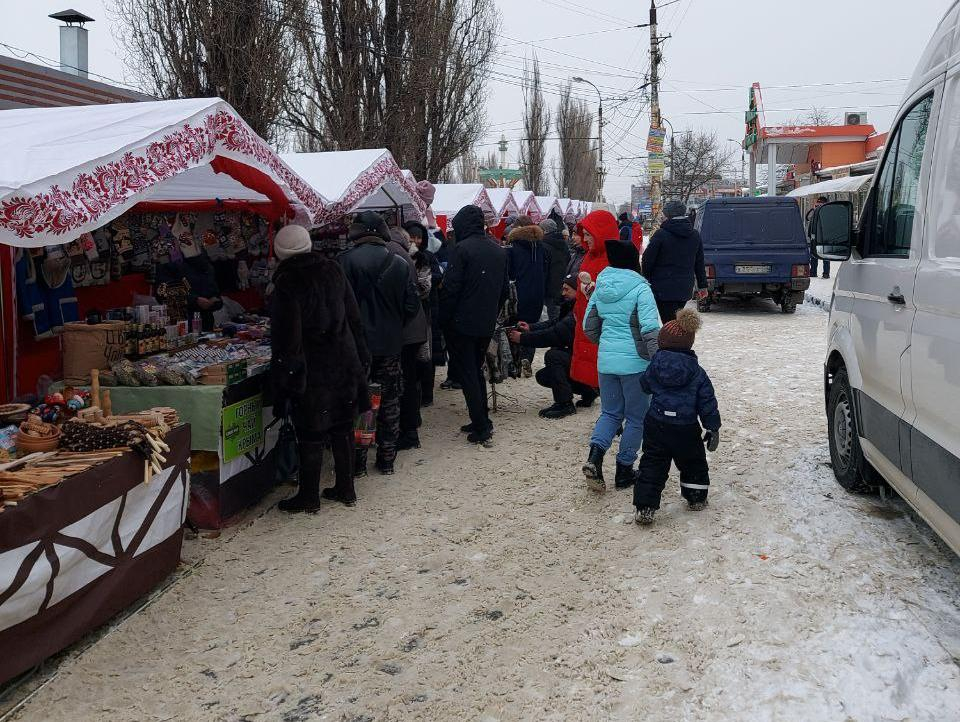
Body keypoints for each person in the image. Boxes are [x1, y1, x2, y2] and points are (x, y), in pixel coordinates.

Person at [270, 225, 370, 511]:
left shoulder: (288, 282)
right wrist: (362, 356)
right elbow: (354, 317)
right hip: (345, 360)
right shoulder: (333, 269)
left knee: (311, 432)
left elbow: (287, 340)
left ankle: (309, 496)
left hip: (313, 370)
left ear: (280, 252)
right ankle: (346, 488)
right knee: (341, 426)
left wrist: (287, 380)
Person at [340, 212, 420, 475]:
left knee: (360, 402)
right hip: (389, 344)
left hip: (355, 348)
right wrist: (394, 324)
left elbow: (336, 309)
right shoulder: (399, 263)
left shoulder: (343, 262)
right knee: (389, 401)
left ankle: (358, 462)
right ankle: (387, 459)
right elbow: (412, 306)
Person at [581, 240, 661, 491]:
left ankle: (594, 458)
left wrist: (607, 343)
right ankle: (624, 470)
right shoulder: (641, 289)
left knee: (610, 413)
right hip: (635, 364)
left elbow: (588, 327)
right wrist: (659, 362)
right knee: (636, 418)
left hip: (606, 362)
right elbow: (650, 329)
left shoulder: (601, 286)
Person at [633, 308, 721, 525]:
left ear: (663, 341)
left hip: (657, 423)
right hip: (686, 426)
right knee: (693, 462)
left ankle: (645, 506)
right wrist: (712, 427)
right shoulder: (697, 371)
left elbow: (645, 386)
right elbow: (707, 401)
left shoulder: (656, 363)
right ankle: (696, 496)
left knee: (652, 463)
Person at [439, 205, 509, 444]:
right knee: (475, 371)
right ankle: (481, 418)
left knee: (468, 373)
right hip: (485, 322)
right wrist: (491, 313)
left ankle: (481, 426)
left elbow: (451, 289)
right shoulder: (498, 250)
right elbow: (504, 291)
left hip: (461, 322)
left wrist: (444, 319)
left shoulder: (462, 250)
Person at [508, 275, 596, 418]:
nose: (563, 293)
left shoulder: (578, 312)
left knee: (554, 355)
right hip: (588, 363)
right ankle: (589, 390)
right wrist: (530, 327)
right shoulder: (575, 307)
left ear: (578, 291)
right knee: (544, 375)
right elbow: (554, 323)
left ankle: (565, 403)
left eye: (567, 289)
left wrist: (522, 338)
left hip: (590, 364)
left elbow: (553, 334)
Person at [570, 210, 618, 400]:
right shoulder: (590, 255)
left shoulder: (611, 259)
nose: (585, 238)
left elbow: (613, 295)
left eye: (589, 234)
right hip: (586, 318)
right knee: (593, 370)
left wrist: (592, 292)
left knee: (604, 371)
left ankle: (611, 416)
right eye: (585, 234)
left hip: (601, 324)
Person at [641, 200, 708, 323]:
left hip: (662, 288)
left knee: (669, 323)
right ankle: (678, 340)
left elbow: (647, 260)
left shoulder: (661, 234)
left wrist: (646, 279)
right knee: (676, 321)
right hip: (684, 287)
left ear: (668, 215)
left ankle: (673, 341)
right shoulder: (694, 235)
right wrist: (702, 286)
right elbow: (699, 263)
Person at [404, 221, 443, 408]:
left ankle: (427, 394)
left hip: (428, 310)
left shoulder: (428, 257)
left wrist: (424, 277)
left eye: (419, 237)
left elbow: (438, 277)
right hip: (415, 311)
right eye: (412, 236)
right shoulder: (402, 255)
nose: (416, 240)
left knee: (427, 356)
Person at [507, 221, 550, 377]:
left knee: (515, 325)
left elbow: (509, 273)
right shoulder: (542, 248)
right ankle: (527, 359)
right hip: (537, 293)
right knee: (530, 326)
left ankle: (515, 363)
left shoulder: (513, 249)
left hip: (519, 293)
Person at [540, 219, 571, 322]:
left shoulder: (544, 246)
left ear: (544, 230)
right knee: (557, 314)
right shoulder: (564, 244)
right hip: (561, 284)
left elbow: (543, 269)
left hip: (549, 286)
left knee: (548, 316)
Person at [807, 196, 830, 279]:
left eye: (821, 203)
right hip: (815, 237)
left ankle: (826, 273)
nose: (819, 204)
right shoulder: (815, 212)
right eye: (818, 203)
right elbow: (810, 221)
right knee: (814, 255)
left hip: (825, 237)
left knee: (825, 256)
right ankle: (813, 272)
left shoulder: (827, 212)